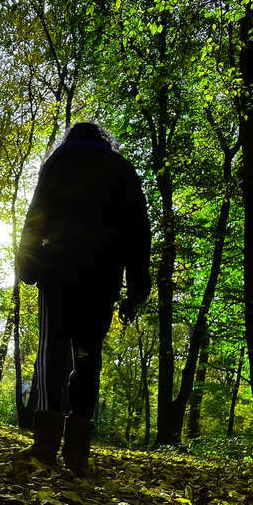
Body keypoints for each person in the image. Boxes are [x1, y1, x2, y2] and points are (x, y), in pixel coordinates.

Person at [16, 121, 151, 474]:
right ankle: (78, 453)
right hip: (103, 277)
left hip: (58, 271)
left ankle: (45, 447)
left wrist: (27, 265)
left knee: (52, 351)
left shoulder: (59, 161)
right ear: (105, 140)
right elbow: (139, 232)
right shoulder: (123, 169)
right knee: (88, 356)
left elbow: (37, 216)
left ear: (71, 138)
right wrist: (137, 287)